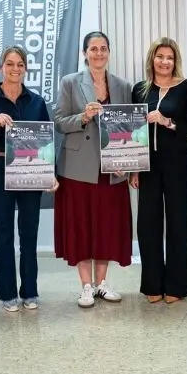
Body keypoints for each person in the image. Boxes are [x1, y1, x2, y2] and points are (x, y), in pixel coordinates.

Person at [0, 46, 56, 313]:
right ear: (1, 68)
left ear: (25, 69)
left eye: (20, 64)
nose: (15, 69)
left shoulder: (36, 102)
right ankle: (7, 292)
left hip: (30, 170)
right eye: (10, 64)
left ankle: (30, 291)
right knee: (4, 233)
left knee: (29, 232)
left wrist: (49, 171)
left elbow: (46, 140)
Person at [54, 32, 132, 308]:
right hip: (78, 168)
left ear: (109, 52)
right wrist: (84, 117)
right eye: (93, 49)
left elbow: (130, 127)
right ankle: (85, 286)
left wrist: (132, 166)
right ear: (84, 53)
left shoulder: (122, 85)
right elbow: (59, 120)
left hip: (113, 168)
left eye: (103, 48)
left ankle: (102, 283)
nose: (98, 53)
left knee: (107, 227)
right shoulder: (70, 83)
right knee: (82, 226)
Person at [131, 37, 187, 304]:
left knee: (177, 222)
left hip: (177, 162)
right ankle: (152, 284)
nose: (164, 62)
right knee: (147, 224)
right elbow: (132, 130)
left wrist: (168, 121)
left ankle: (177, 286)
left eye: (169, 57)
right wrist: (133, 168)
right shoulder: (140, 90)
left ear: (175, 60)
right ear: (152, 60)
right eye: (160, 57)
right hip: (147, 165)